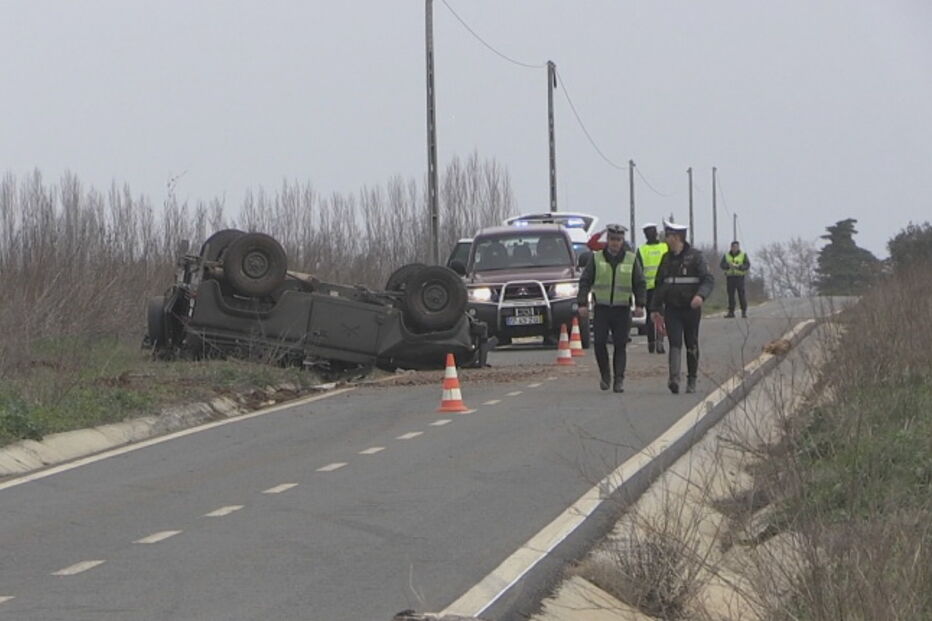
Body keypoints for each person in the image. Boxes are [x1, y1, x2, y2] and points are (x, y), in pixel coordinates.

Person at [577, 224, 646, 393]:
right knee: (599, 343)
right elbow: (585, 281)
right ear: (607, 240)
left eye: (618, 240)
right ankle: (605, 375)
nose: (615, 243)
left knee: (620, 345)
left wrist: (640, 304)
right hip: (602, 308)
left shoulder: (631, 259)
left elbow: (640, 283)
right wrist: (582, 303)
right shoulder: (596, 258)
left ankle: (619, 380)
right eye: (612, 239)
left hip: (622, 309)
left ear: (623, 241)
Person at [649, 220, 714, 394]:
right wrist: (655, 309)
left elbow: (708, 279)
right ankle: (674, 379)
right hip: (673, 309)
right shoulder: (666, 259)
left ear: (677, 238)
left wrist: (701, 296)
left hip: (691, 309)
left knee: (691, 343)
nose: (665, 239)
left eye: (668, 236)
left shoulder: (696, 257)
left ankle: (691, 379)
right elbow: (659, 285)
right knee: (675, 342)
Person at [637, 222, 668, 354]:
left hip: (653, 288)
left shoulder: (643, 250)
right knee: (657, 315)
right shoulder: (664, 247)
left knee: (654, 316)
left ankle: (654, 342)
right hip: (657, 287)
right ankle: (656, 342)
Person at [720, 241, 750, 318]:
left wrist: (740, 267)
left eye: (736, 247)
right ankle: (731, 312)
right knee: (731, 295)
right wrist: (728, 266)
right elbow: (722, 265)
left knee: (741, 295)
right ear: (731, 247)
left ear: (738, 247)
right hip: (730, 277)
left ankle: (743, 312)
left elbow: (747, 265)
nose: (735, 248)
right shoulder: (726, 255)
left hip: (739, 277)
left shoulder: (743, 255)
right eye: (733, 247)